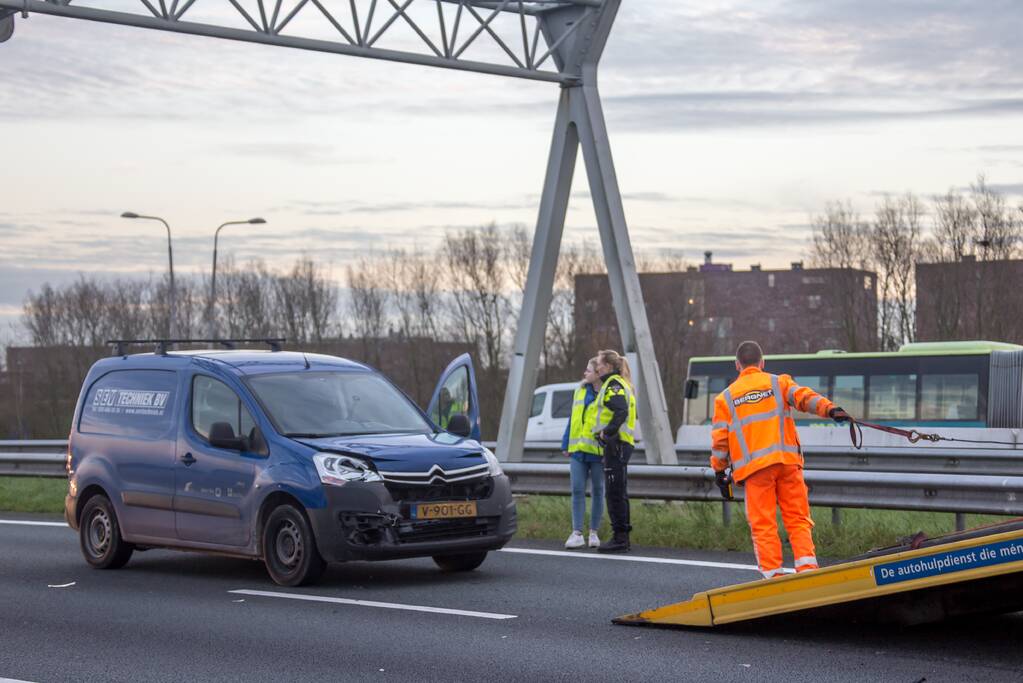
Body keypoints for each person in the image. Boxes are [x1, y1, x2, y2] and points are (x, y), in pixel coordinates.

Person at [710, 340, 850, 579]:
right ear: (762, 362)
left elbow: (720, 443)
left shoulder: (725, 398)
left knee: (764, 525)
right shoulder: (779, 383)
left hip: (755, 471)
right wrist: (830, 409)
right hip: (787, 464)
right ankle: (808, 570)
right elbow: (805, 397)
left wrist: (719, 471)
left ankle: (774, 577)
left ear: (737, 365)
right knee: (798, 519)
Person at [592, 349, 637, 553]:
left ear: (608, 366)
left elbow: (620, 411)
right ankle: (622, 537)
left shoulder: (613, 384)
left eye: (599, 363)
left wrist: (606, 433)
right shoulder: (617, 383)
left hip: (616, 444)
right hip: (619, 444)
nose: (597, 367)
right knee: (619, 492)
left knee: (614, 493)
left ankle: (619, 539)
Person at [561, 358, 605, 549]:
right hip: (578, 451)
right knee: (577, 490)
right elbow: (573, 419)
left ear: (598, 373)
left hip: (598, 452)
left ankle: (594, 532)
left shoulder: (607, 392)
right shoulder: (579, 390)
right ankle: (577, 533)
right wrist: (565, 443)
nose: (584, 373)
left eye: (588, 370)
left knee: (598, 491)